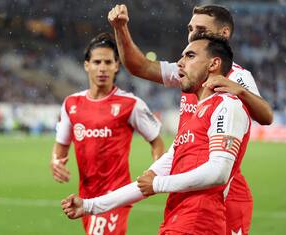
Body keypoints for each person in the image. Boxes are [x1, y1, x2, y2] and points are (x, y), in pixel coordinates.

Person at [62, 33, 251, 235]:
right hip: (175, 221)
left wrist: (158, 184)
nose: (180, 63)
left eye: (190, 56)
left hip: (198, 225)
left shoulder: (226, 106)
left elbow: (218, 172)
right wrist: (89, 206)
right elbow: (145, 184)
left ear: (213, 64)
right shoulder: (192, 118)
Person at [107, 4, 273, 234]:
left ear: (224, 33)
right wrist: (121, 28)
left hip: (223, 190)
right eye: (190, 28)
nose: (193, 33)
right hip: (189, 185)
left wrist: (238, 89)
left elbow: (266, 116)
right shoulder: (187, 71)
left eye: (201, 29)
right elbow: (140, 66)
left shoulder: (236, 75)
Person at [51, 32, 164, 235]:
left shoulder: (130, 104)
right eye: (96, 62)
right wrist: (56, 162)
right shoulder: (71, 104)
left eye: (107, 62)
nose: (102, 67)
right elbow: (61, 146)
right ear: (87, 65)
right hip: (85, 195)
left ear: (116, 66)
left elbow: (156, 141)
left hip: (116, 194)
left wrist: (154, 172)